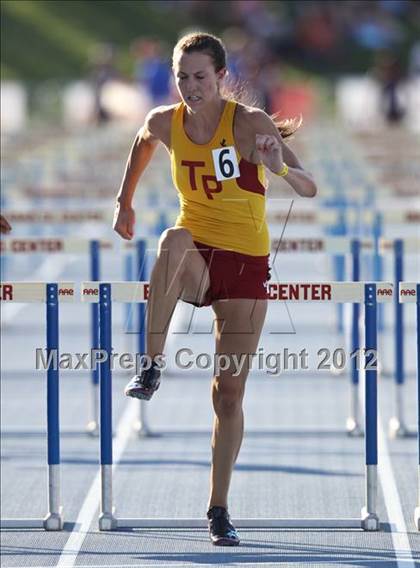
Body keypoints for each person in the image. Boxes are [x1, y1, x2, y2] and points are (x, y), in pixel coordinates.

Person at [113, 32, 317, 546]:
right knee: (172, 239)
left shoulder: (249, 123)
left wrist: (279, 166)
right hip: (198, 258)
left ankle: (219, 508)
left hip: (245, 268)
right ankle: (151, 365)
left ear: (221, 77)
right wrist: (124, 201)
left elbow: (308, 187)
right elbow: (142, 140)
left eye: (200, 77)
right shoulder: (167, 120)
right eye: (182, 77)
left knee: (227, 395)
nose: (190, 87)